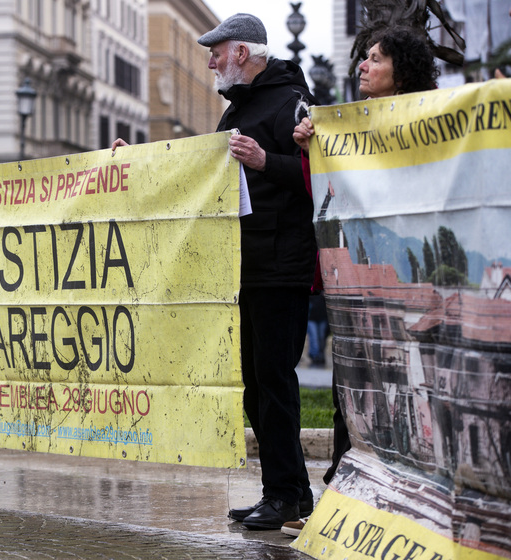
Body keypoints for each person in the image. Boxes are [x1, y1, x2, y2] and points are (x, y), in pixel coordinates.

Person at [113, 13, 317, 531]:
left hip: (279, 264)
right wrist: (137, 162)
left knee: (272, 382)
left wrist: (265, 160)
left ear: (242, 54)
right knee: (255, 385)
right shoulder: (236, 111)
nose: (209, 61)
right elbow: (196, 169)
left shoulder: (292, 101)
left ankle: (285, 496)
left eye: (216, 52)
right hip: (242, 265)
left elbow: (319, 175)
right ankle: (289, 493)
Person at [285, 26, 439, 538]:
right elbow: (331, 201)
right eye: (364, 57)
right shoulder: (349, 128)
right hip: (357, 284)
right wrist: (312, 154)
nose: (363, 65)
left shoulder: (432, 124)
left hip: (408, 286)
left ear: (403, 71)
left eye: (376, 58)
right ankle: (344, 501)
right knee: (349, 394)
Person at [306, 294, 328, 367]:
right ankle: (314, 356)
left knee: (321, 337)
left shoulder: (324, 291)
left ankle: (320, 355)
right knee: (314, 337)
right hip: (311, 318)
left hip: (322, 317)